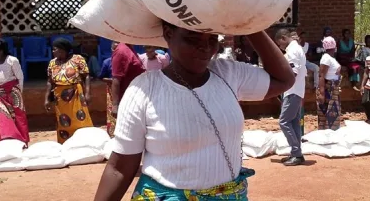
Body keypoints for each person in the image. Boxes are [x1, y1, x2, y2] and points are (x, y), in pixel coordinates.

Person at [94, 21, 295, 201]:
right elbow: (120, 168)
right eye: (192, 38)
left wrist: (249, 24)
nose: (205, 48)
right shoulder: (145, 89)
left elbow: (284, 80)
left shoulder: (228, 73)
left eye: (212, 38)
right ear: (169, 34)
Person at [45, 38, 93, 144]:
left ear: (62, 50)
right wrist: (47, 99)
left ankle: (84, 143)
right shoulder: (52, 63)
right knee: (63, 121)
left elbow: (86, 76)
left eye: (55, 49)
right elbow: (50, 81)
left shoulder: (77, 59)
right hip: (60, 97)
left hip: (76, 94)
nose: (53, 51)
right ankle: (66, 143)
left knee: (80, 118)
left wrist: (88, 93)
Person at [275, 29, 307, 166]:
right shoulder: (297, 48)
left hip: (292, 91)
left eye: (279, 44)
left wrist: (279, 84)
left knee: (284, 122)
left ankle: (296, 153)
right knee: (293, 122)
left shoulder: (292, 50)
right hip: (296, 90)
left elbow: (293, 72)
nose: (280, 47)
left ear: (283, 38)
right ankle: (296, 153)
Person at [0, 39, 29, 144]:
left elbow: (20, 77)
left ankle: (22, 141)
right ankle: (8, 142)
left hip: (13, 92)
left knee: (18, 117)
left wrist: (20, 92)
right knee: (3, 117)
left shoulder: (12, 60)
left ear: (0, 50)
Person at [111, 43, 145, 118]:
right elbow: (116, 79)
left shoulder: (129, 48)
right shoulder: (121, 51)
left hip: (136, 98)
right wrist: (115, 105)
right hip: (127, 101)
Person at [316, 36, 342, 130]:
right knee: (328, 114)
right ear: (335, 46)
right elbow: (321, 75)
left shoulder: (330, 58)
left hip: (333, 89)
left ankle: (330, 135)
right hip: (328, 89)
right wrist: (322, 94)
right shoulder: (326, 58)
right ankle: (327, 135)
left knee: (332, 113)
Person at [99, 41, 119, 137]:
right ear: (111, 50)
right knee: (113, 111)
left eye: (118, 49)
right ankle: (112, 134)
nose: (116, 51)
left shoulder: (125, 61)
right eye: (114, 48)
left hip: (125, 88)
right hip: (112, 90)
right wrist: (113, 80)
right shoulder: (107, 62)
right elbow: (101, 77)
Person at [360, 56, 370, 124]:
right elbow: (366, 73)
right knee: (364, 101)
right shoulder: (368, 59)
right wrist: (362, 86)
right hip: (368, 84)